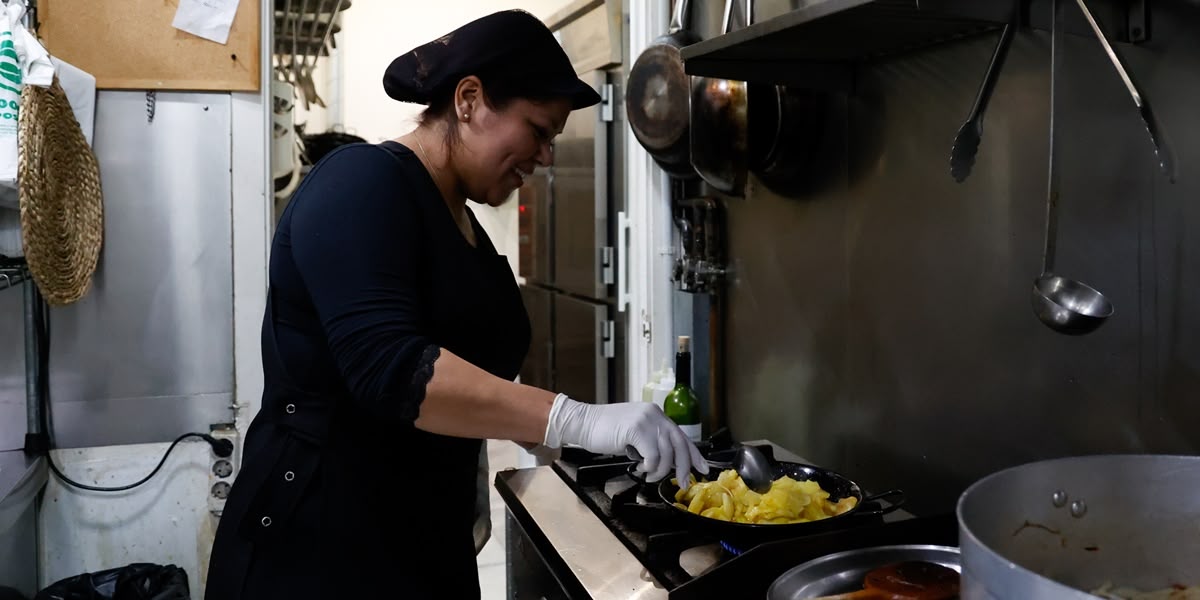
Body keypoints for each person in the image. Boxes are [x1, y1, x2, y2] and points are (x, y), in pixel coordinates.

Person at [204, 9, 707, 600]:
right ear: (469, 99)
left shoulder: (464, 228)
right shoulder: (360, 184)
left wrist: (588, 445)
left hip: (422, 548)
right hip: (317, 552)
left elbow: (480, 381)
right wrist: (577, 418)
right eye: (539, 130)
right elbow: (393, 370)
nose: (546, 156)